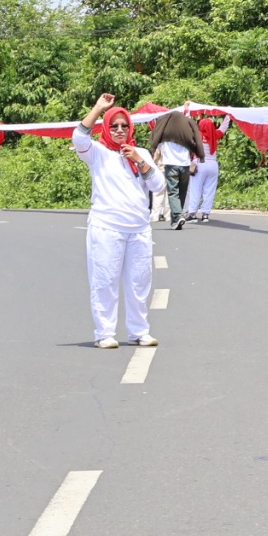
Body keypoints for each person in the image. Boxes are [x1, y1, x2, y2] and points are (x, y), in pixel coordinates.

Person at [72, 94, 160, 350]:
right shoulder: (97, 153)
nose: (120, 130)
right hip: (107, 228)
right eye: (114, 126)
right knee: (105, 281)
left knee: (139, 282)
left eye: (124, 126)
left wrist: (138, 160)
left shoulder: (140, 153)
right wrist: (98, 108)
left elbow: (158, 185)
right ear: (107, 128)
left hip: (139, 229)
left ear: (130, 128)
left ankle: (139, 331)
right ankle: (105, 332)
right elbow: (79, 137)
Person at [152, 110, 202, 231]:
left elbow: (158, 147)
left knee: (173, 192)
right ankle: (176, 219)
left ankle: (178, 215)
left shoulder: (165, 134)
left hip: (171, 166)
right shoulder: (186, 135)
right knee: (182, 191)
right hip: (185, 166)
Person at [189, 116, 222, 221]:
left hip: (200, 164)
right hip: (213, 165)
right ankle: (205, 215)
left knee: (195, 189)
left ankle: (192, 214)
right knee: (209, 191)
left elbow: (188, 124)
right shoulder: (215, 135)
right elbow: (223, 128)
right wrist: (228, 116)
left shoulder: (197, 135)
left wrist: (188, 111)